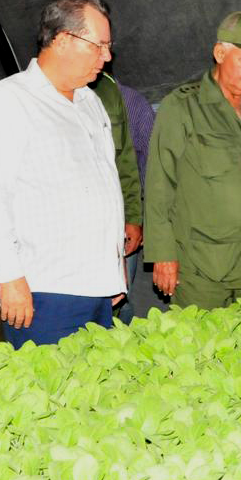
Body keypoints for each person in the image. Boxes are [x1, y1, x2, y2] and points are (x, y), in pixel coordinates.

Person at [0, 0, 125, 348]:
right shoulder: (10, 101)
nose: (107, 56)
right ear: (64, 39)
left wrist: (112, 274)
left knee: (96, 393)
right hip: (45, 289)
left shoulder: (90, 102)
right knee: (51, 397)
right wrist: (9, 277)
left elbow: (105, 187)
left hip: (97, 287)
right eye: (98, 45)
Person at [145, 12, 241, 309]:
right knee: (198, 351)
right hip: (202, 267)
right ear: (220, 53)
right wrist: (163, 254)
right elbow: (160, 184)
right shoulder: (183, 106)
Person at [88, 72, 143, 320]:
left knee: (121, 296)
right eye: (98, 46)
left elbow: (130, 161)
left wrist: (135, 216)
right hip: (78, 226)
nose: (105, 54)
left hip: (117, 220)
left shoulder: (117, 95)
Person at [115, 81, 155, 322]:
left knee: (122, 294)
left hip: (124, 219)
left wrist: (144, 218)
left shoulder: (132, 103)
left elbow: (153, 165)